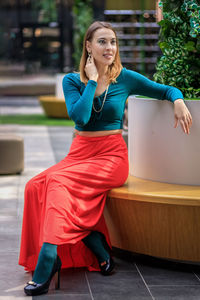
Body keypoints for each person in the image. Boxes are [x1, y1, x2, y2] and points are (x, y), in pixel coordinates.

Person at [19, 21, 192, 296]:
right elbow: (81, 117)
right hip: (79, 154)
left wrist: (179, 101)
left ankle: (48, 258)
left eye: (112, 42)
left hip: (111, 157)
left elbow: (165, 90)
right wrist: (92, 80)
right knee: (34, 186)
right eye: (102, 42)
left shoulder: (126, 78)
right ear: (88, 46)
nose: (109, 47)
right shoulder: (72, 81)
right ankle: (95, 241)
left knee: (56, 184)